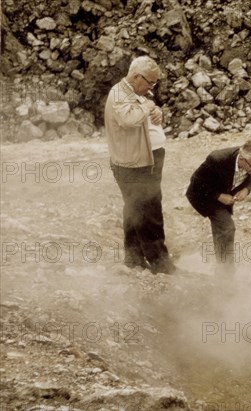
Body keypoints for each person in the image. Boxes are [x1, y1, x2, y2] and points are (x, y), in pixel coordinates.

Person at [105, 55, 176, 274]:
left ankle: (134, 258)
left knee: (135, 209)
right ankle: (159, 263)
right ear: (137, 77)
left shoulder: (135, 93)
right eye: (151, 82)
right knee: (150, 210)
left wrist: (156, 112)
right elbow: (128, 119)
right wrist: (148, 106)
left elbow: (144, 114)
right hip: (134, 164)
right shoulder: (118, 94)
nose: (152, 87)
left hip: (145, 159)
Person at [186, 140, 251, 273]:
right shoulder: (217, 159)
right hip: (204, 196)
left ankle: (222, 265)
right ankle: (225, 270)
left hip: (224, 193)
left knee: (222, 228)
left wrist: (247, 189)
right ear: (242, 160)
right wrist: (219, 196)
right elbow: (196, 183)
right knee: (227, 227)